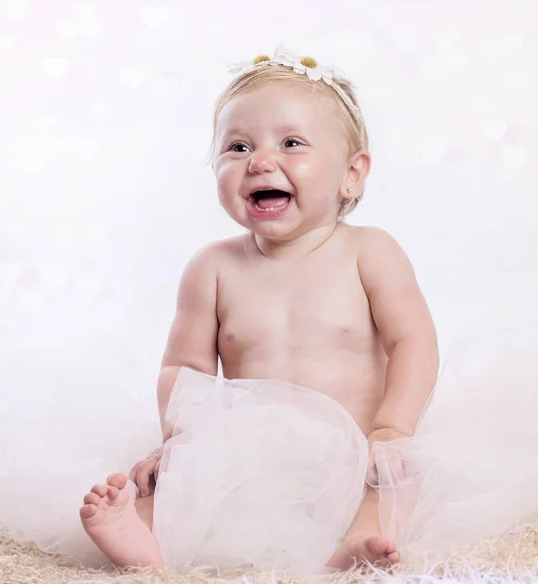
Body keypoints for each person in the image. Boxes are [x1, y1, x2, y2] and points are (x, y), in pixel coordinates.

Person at [79, 43, 441, 573]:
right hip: (249, 459)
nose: (261, 161)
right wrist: (176, 443)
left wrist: (392, 428)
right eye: (238, 147)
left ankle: (357, 544)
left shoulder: (370, 251)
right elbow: (185, 370)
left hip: (359, 455)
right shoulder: (213, 268)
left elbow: (413, 341)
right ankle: (144, 536)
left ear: (352, 173)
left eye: (291, 143)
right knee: (188, 481)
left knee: (405, 478)